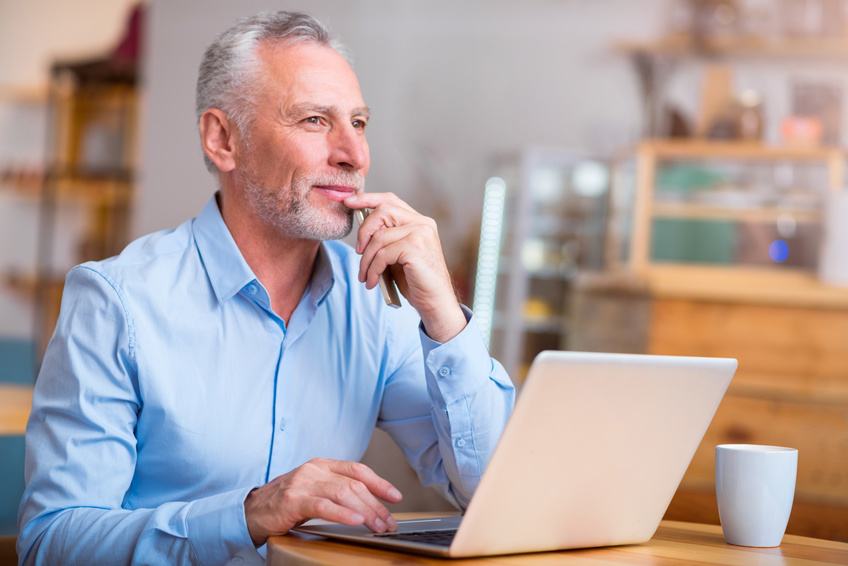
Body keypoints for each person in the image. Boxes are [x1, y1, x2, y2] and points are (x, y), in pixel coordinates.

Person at [17, 10, 515, 565]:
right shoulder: (116, 302)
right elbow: (53, 545)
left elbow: (496, 492)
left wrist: (443, 314)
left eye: (359, 122)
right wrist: (249, 513)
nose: (353, 155)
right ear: (222, 139)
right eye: (314, 121)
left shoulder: (374, 304)